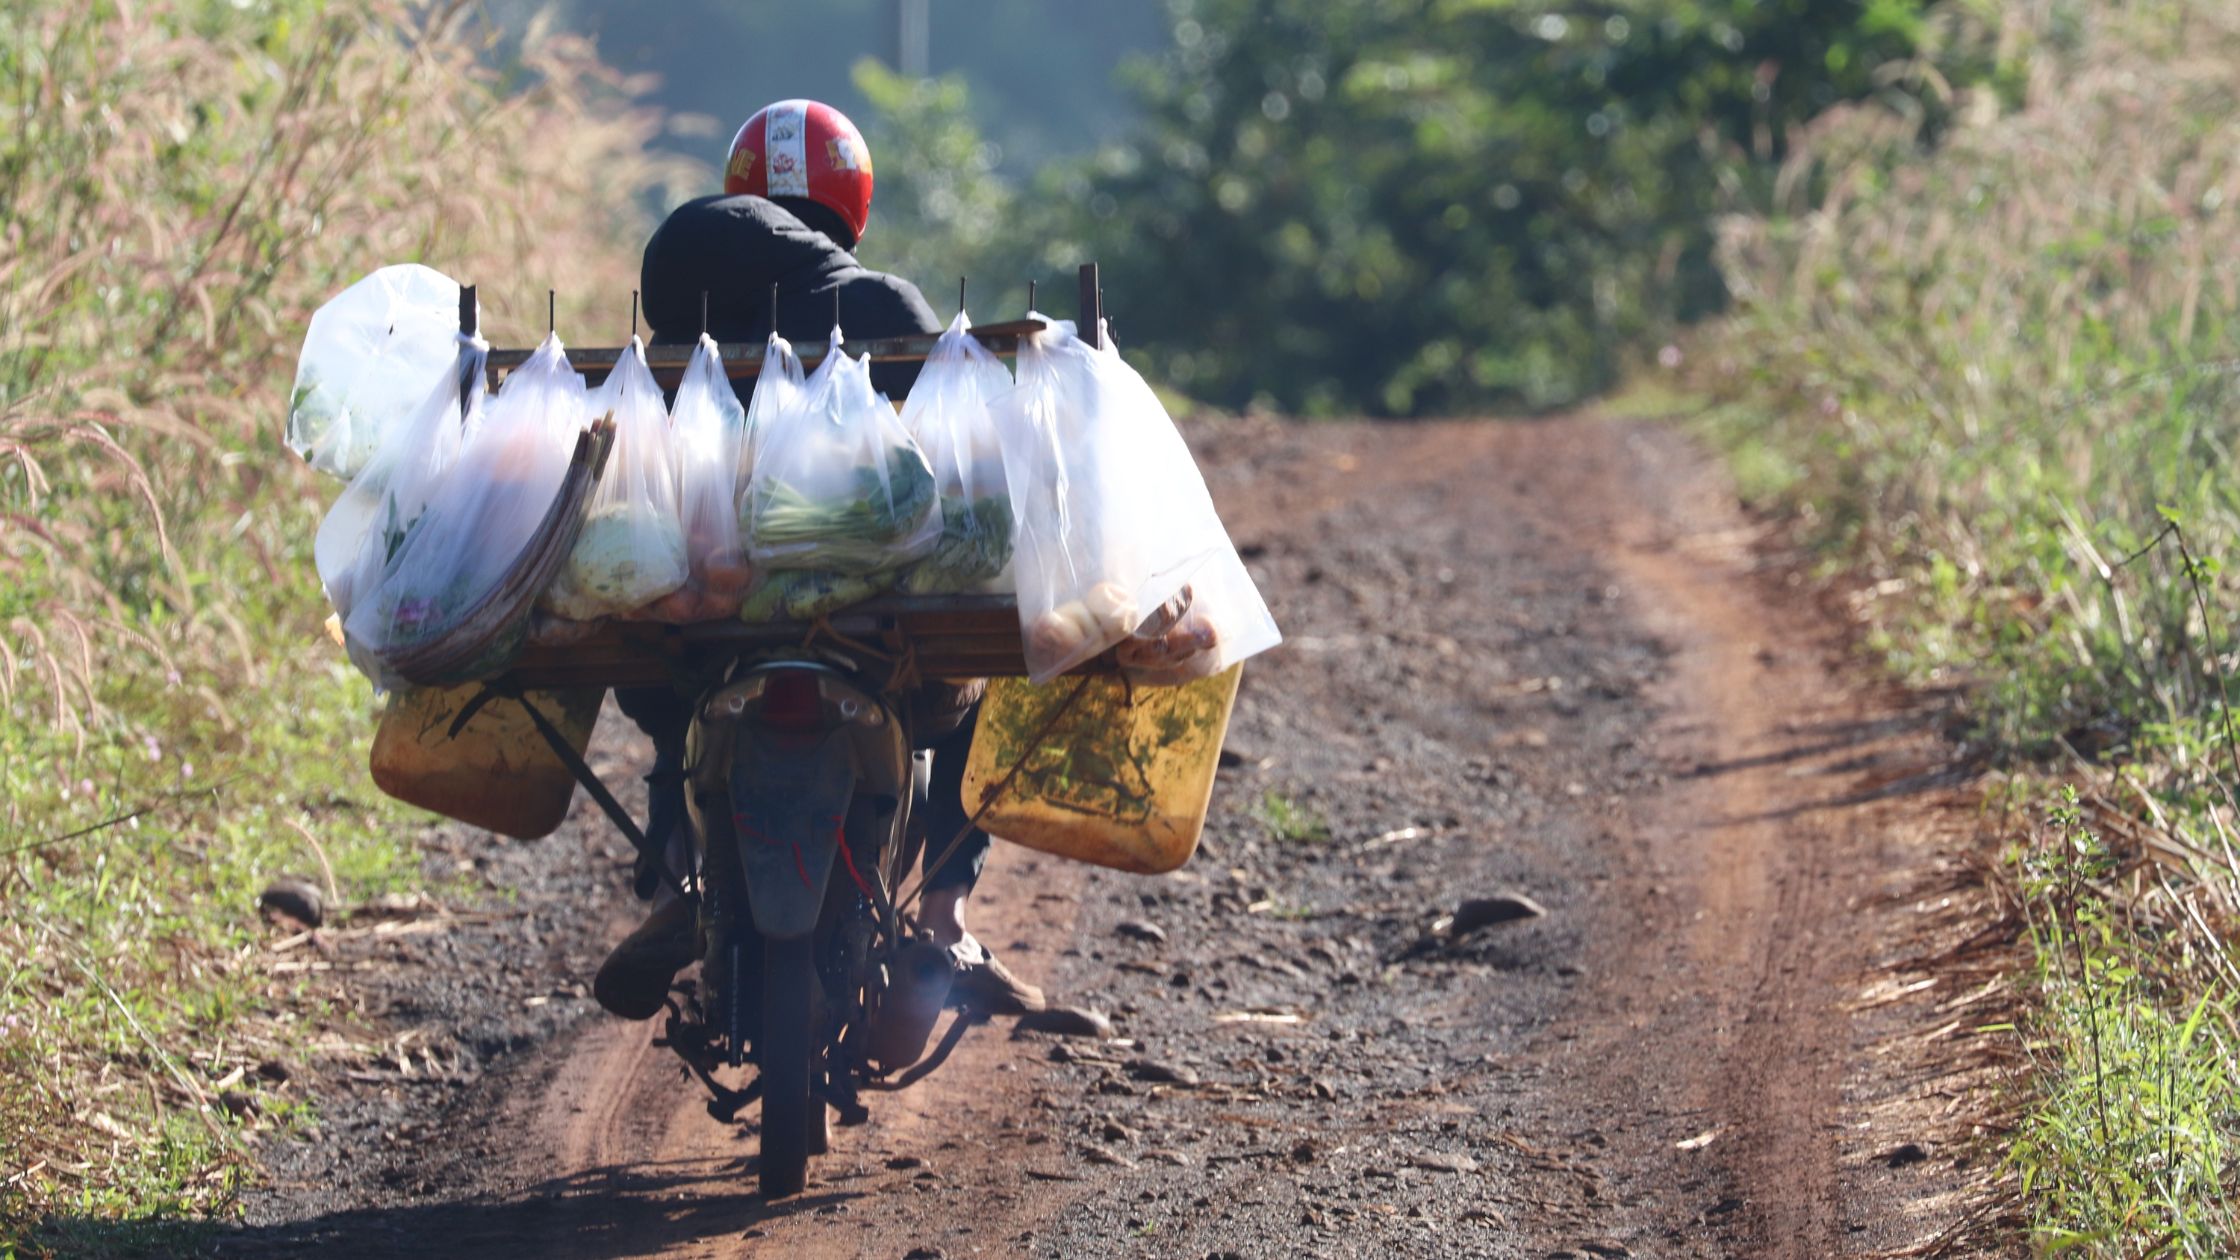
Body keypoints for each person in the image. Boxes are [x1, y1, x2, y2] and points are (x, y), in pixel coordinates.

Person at [591, 100, 1042, 1022]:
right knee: (976, 651)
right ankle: (946, 916)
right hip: (873, 625)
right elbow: (960, 485)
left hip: (711, 615)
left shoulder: (684, 317)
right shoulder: (888, 308)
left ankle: (679, 871)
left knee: (658, 677)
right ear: (852, 199)